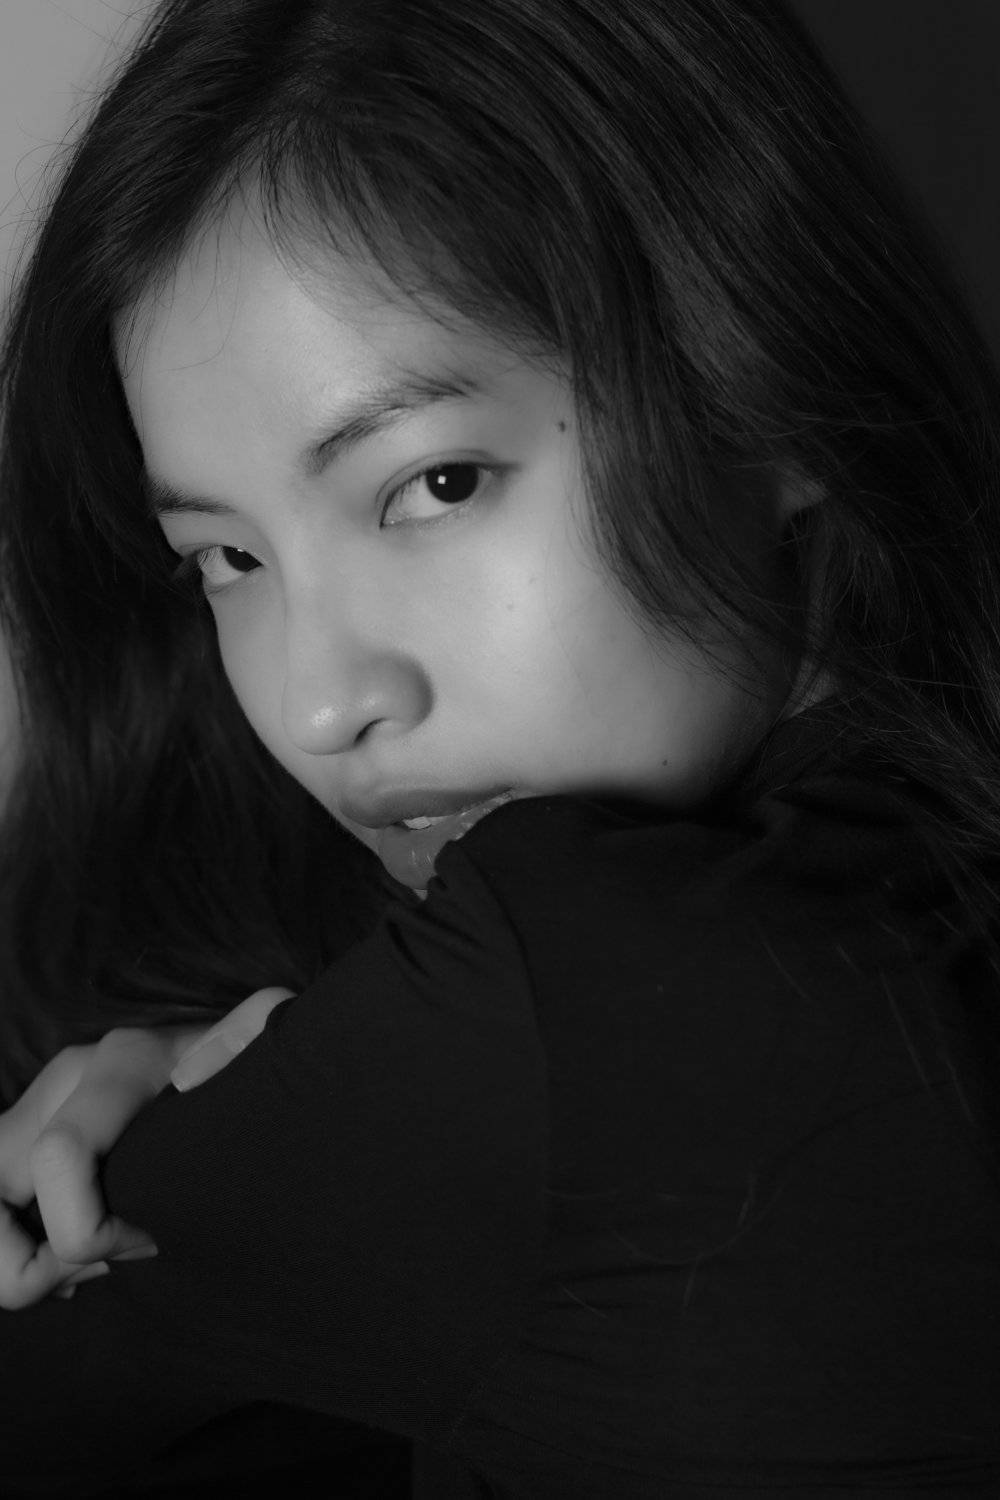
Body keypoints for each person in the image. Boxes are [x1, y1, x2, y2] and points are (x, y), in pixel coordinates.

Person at [1, 0, 1000, 1493]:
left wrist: (169, 1167)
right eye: (227, 559)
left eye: (436, 485)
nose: (320, 703)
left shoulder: (597, 990)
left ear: (768, 396)